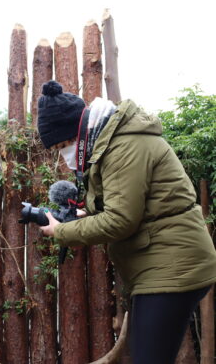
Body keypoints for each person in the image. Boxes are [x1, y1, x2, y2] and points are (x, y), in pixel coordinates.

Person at [36, 80, 216, 363]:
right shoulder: (110, 145)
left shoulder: (123, 147)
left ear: (79, 132)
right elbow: (126, 207)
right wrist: (84, 216)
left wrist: (63, 231)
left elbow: (121, 220)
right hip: (164, 263)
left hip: (173, 265)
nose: (63, 153)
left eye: (64, 144)